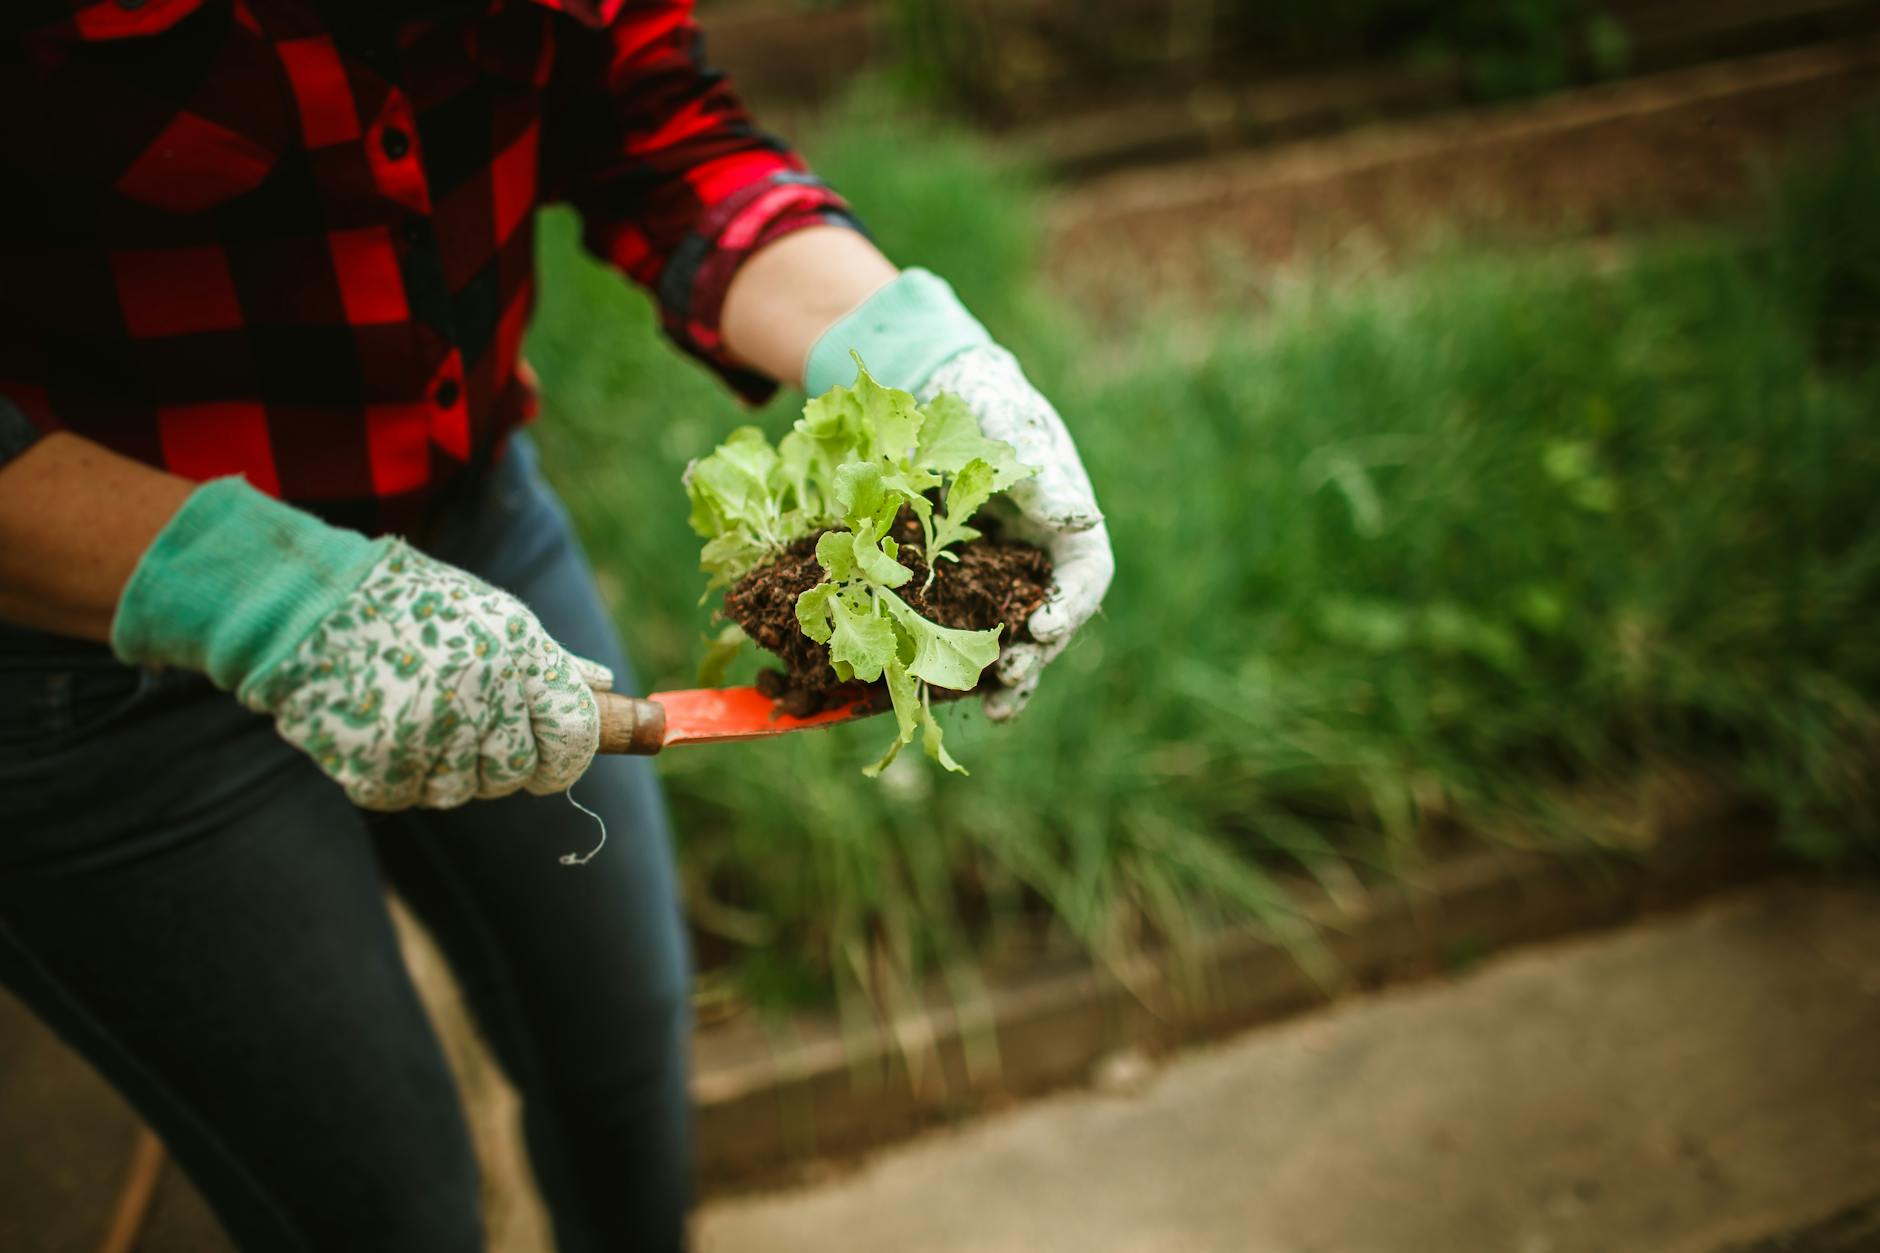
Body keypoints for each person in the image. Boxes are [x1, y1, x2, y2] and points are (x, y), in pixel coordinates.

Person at [0, 0, 1110, 1248]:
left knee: (623, 1041)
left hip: (461, 515)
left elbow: (646, 117)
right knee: (388, 1204)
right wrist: (267, 594)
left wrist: (917, 349)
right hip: (81, 652)